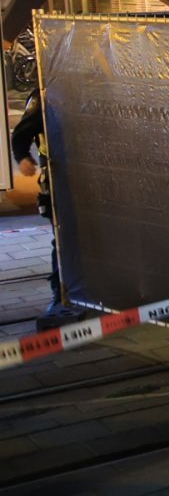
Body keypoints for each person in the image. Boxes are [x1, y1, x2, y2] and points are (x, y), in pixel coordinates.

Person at [10, 92, 81, 328]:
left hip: (89, 176)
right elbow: (21, 134)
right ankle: (61, 295)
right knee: (63, 238)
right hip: (60, 176)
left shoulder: (86, 87)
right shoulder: (45, 93)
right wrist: (23, 158)